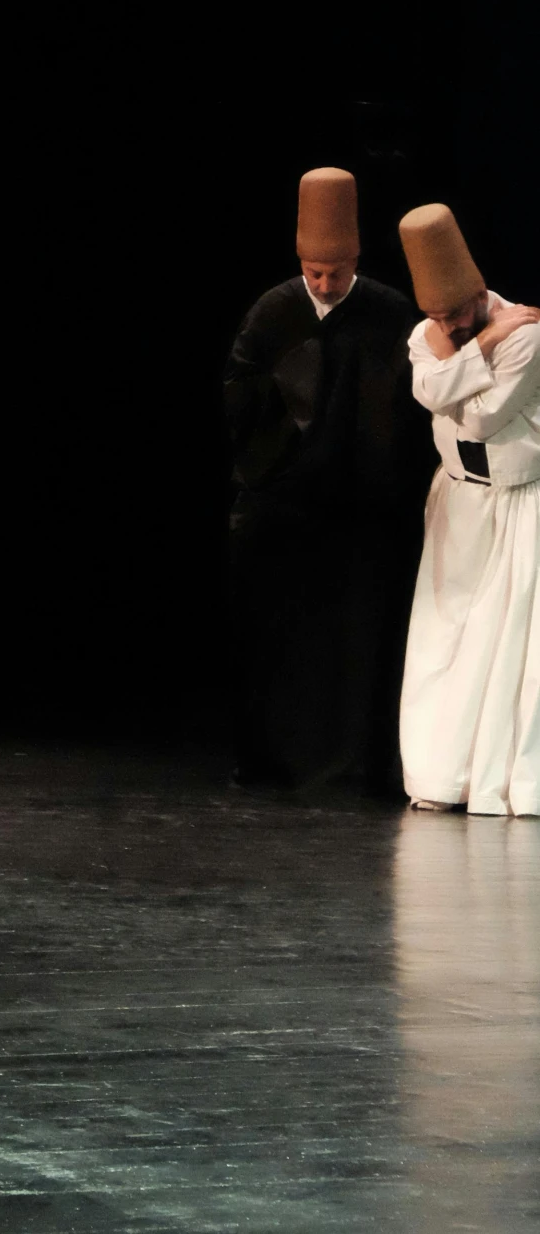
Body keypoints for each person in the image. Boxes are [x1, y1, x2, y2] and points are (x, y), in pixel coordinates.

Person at [223, 167, 431, 794]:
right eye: (313, 272)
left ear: (355, 261)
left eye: (334, 273)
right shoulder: (276, 309)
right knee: (274, 628)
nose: (322, 284)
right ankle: (270, 759)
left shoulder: (388, 311)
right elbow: (240, 396)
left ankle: (358, 763)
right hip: (288, 501)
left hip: (361, 509)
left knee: (359, 638)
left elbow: (411, 403)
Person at [398, 202, 540, 815]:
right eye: (438, 317)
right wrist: (481, 344)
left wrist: (452, 379)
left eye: (459, 314)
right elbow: (425, 389)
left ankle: (502, 778)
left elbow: (481, 417)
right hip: (458, 499)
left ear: (479, 291)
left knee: (507, 642)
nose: (447, 325)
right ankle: (440, 774)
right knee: (446, 636)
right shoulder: (436, 331)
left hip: (516, 501)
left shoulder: (527, 332)